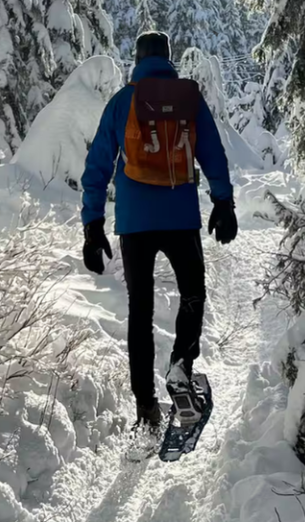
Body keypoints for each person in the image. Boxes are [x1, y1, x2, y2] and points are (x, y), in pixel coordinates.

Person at [80, 31, 238, 435]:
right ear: (168, 59)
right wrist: (223, 202)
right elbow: (213, 152)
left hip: (134, 225)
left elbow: (97, 165)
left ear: (137, 59)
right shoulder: (188, 99)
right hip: (181, 217)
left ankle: (146, 408)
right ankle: (181, 366)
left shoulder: (122, 103)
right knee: (193, 294)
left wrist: (92, 225)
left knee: (140, 312)